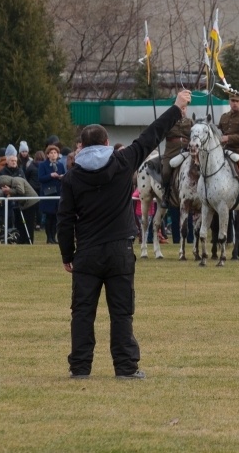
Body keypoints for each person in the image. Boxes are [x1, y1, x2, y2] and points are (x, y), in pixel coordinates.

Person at [57, 89, 191, 380]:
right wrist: (177, 107)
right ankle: (126, 368)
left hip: (87, 253)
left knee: (82, 313)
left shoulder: (71, 178)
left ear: (80, 146)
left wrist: (68, 255)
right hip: (119, 251)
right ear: (107, 143)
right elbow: (152, 135)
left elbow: (65, 221)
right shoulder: (123, 161)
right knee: (121, 312)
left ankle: (80, 368)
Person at [160, 114, 193, 208]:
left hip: (187, 152)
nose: (182, 110)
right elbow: (161, 135)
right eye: (181, 108)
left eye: (184, 108)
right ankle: (165, 195)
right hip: (171, 152)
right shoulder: (168, 121)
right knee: (165, 172)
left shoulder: (190, 122)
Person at [0, 174, 39, 244]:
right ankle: (22, 240)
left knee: (28, 223)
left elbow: (21, 191)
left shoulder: (16, 180)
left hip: (31, 203)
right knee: (22, 223)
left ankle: (29, 241)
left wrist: (10, 190)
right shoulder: (14, 182)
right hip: (26, 204)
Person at [38, 144, 66, 244]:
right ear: (48, 155)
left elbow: (63, 175)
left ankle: (54, 237)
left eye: (55, 153)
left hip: (57, 193)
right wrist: (50, 175)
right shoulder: (43, 165)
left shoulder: (60, 165)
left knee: (55, 217)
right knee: (49, 216)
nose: (53, 155)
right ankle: (48, 237)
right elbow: (40, 178)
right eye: (51, 153)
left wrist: (62, 177)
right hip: (48, 193)